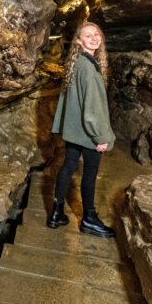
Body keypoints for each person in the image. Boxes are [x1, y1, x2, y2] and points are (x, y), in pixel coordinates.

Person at [47, 21, 116, 238]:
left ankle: (56, 212)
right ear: (79, 41)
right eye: (88, 36)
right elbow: (93, 108)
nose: (95, 38)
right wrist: (101, 136)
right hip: (87, 132)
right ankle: (89, 219)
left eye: (97, 34)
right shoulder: (89, 69)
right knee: (90, 173)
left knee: (69, 165)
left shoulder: (77, 63)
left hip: (75, 130)